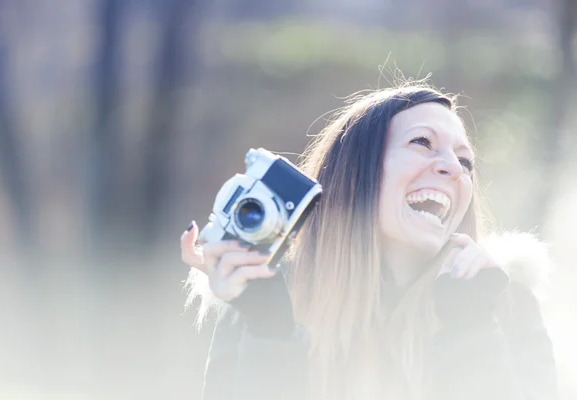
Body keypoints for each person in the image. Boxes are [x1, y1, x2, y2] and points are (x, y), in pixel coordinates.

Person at [180, 83, 558, 400]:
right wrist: (271, 334)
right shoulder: (262, 303)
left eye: (466, 161)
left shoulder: (502, 305)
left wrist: (469, 333)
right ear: (356, 171)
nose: (454, 168)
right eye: (423, 142)